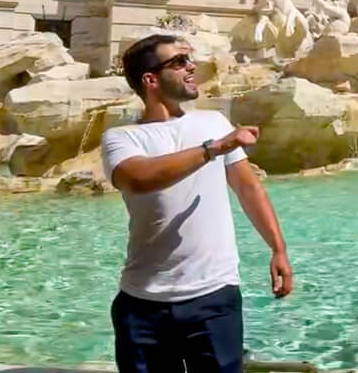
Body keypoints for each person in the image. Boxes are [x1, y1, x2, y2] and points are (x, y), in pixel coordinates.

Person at [102, 35, 292, 373]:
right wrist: (213, 149)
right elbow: (139, 178)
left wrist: (278, 249)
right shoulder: (121, 138)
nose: (192, 67)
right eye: (178, 62)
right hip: (142, 304)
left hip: (213, 298)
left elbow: (248, 189)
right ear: (151, 79)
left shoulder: (213, 122)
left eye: (189, 60)